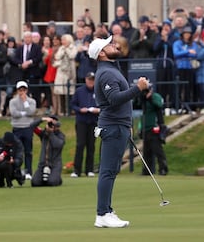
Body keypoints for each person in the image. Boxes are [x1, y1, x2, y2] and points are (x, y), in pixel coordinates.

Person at [91, 35, 148, 228]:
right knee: (107, 171)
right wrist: (137, 88)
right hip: (112, 126)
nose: (114, 45)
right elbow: (114, 98)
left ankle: (106, 210)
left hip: (118, 125)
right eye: (109, 44)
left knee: (111, 170)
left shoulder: (111, 69)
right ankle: (102, 214)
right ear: (101, 53)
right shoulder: (106, 73)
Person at [70, 71, 99, 177]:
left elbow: (103, 105)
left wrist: (98, 110)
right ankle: (76, 170)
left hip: (93, 121)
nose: (91, 81)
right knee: (80, 145)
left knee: (91, 145)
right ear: (86, 80)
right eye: (89, 79)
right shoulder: (79, 91)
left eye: (93, 80)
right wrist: (79, 109)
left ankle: (89, 169)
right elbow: (73, 105)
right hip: (81, 121)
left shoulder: (98, 91)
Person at [9, 79, 37, 179]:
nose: (22, 92)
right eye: (20, 90)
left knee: (28, 151)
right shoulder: (12, 101)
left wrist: (25, 102)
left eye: (24, 90)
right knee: (17, 151)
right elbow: (14, 113)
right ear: (17, 91)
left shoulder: (31, 101)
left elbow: (31, 112)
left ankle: (28, 171)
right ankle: (17, 171)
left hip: (28, 128)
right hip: (17, 128)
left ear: (26, 90)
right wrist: (23, 113)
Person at [140, 83, 168, 176]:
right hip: (146, 127)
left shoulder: (156, 96)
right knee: (146, 151)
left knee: (157, 150)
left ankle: (163, 169)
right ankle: (146, 170)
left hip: (155, 127)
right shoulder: (143, 99)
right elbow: (135, 104)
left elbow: (159, 104)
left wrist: (150, 98)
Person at [30, 115, 66, 187]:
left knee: (52, 182)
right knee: (35, 183)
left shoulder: (61, 135)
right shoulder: (43, 134)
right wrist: (43, 119)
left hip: (55, 165)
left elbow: (57, 145)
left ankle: (58, 179)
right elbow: (31, 126)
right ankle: (45, 178)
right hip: (42, 165)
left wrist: (51, 133)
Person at [52, 33, 77, 115]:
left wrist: (66, 50)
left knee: (69, 92)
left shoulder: (73, 48)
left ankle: (69, 110)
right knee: (60, 91)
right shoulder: (61, 48)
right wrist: (62, 52)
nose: (62, 42)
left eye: (64, 40)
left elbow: (72, 55)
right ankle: (62, 111)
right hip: (61, 72)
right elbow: (57, 57)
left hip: (69, 72)